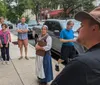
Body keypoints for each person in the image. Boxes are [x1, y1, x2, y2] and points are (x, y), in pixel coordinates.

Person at [51, 7, 100, 85]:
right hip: (65, 46)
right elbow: (61, 40)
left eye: (82, 25)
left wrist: (66, 74)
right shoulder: (63, 31)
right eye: (71, 25)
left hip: (71, 47)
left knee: (73, 58)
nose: (77, 30)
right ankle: (58, 64)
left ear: (94, 28)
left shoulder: (82, 63)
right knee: (63, 58)